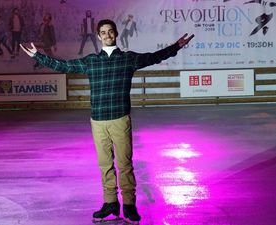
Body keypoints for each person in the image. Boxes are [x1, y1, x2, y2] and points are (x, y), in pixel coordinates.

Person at [20, 19, 194, 225]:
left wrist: (176, 47)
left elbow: (154, 57)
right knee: (105, 165)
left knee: (124, 164)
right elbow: (63, 65)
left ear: (116, 34)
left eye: (110, 31)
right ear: (99, 36)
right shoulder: (91, 61)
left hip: (120, 119)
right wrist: (38, 56)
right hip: (98, 121)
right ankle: (110, 203)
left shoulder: (128, 59)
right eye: (103, 32)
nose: (107, 35)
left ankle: (129, 206)